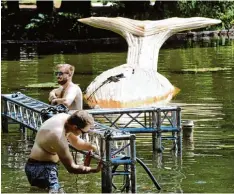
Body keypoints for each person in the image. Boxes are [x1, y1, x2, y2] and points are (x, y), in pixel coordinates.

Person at [25, 110, 102, 193]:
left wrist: (93, 148)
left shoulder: (65, 119)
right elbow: (71, 168)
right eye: (83, 132)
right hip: (42, 169)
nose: (83, 134)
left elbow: (76, 143)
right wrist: (95, 170)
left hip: (42, 167)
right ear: (75, 127)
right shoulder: (58, 136)